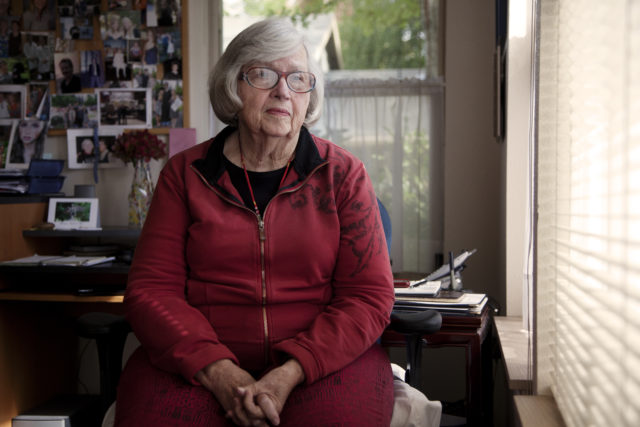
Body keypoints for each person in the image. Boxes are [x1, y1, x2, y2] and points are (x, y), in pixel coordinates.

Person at [114, 18, 395, 427]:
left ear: (309, 95)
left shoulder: (343, 175)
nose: (283, 90)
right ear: (233, 85)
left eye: (298, 78)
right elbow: (151, 291)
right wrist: (219, 371)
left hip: (323, 361)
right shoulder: (184, 175)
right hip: (202, 358)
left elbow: (368, 296)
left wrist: (291, 371)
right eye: (264, 74)